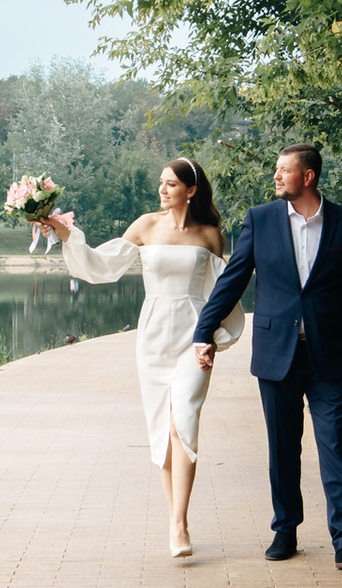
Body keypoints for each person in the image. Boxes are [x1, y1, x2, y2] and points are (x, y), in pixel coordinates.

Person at [191, 142, 342, 572]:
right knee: (283, 446)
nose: (276, 176)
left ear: (308, 177)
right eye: (277, 170)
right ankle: (286, 528)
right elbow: (233, 278)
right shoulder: (260, 220)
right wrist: (203, 332)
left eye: (284, 170)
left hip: (328, 353)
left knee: (333, 442)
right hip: (277, 352)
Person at [35, 159, 240, 556]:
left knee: (184, 423)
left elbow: (222, 293)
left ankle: (180, 525)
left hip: (193, 336)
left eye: (171, 185)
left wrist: (213, 338)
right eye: (160, 183)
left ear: (191, 190)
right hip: (153, 338)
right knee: (163, 431)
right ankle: (174, 521)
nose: (162, 190)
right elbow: (102, 265)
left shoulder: (211, 235)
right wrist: (67, 234)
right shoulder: (146, 225)